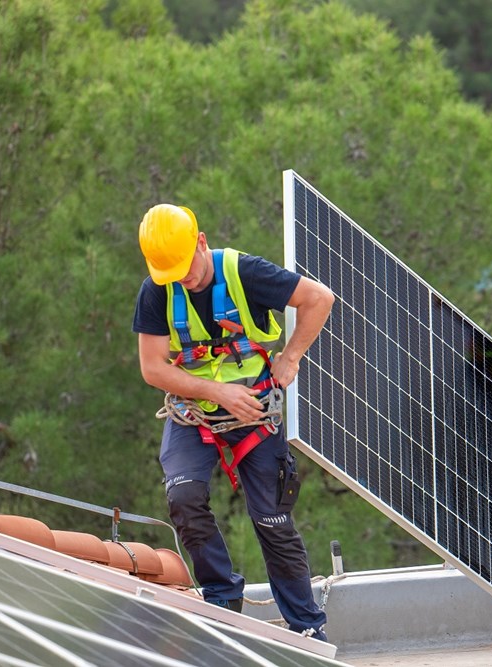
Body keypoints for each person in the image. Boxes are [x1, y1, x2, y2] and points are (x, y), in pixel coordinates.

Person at [132, 203, 334, 640]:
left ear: (201, 242)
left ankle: (307, 628)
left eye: (185, 267)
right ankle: (222, 599)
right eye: (170, 273)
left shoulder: (244, 272)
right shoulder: (156, 291)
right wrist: (217, 392)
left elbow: (319, 298)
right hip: (193, 413)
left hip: (256, 412)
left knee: (272, 521)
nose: (181, 279)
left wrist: (290, 357)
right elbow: (152, 367)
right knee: (184, 497)